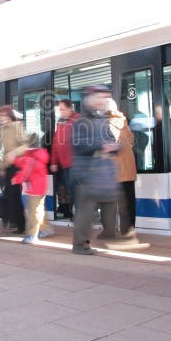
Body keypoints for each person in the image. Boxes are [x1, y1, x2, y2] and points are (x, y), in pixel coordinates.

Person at [71, 85, 120, 255]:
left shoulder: (102, 120)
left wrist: (114, 147)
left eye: (104, 98)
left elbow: (112, 140)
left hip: (102, 173)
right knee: (85, 212)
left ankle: (108, 235)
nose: (102, 101)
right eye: (99, 97)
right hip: (86, 173)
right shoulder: (80, 121)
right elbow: (77, 145)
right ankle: (79, 245)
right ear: (89, 100)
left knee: (106, 207)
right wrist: (101, 145)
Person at [0, 105, 30, 234]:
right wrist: (1, 166)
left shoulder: (17, 127)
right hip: (8, 167)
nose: (1, 118)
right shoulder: (0, 130)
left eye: (3, 115)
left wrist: (15, 152)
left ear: (9, 115)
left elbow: (27, 145)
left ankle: (21, 224)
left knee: (14, 195)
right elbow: (1, 151)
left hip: (18, 166)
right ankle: (16, 222)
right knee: (10, 195)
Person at [105, 100, 136, 239]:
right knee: (129, 201)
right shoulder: (123, 122)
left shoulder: (107, 125)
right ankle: (129, 229)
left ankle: (110, 231)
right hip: (129, 168)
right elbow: (131, 140)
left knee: (110, 203)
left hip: (115, 170)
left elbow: (110, 147)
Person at [13, 136, 52, 244]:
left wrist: (16, 179)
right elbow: (22, 162)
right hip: (40, 188)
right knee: (38, 210)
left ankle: (32, 235)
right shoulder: (38, 154)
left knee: (32, 213)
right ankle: (45, 229)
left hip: (32, 189)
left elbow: (26, 172)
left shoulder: (30, 157)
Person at [50, 100, 78, 220]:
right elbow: (56, 143)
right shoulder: (60, 122)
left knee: (77, 190)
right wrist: (54, 162)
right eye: (59, 110)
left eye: (62, 109)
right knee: (71, 189)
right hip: (65, 163)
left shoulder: (78, 120)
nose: (60, 112)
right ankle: (75, 213)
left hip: (76, 163)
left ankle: (80, 214)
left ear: (70, 108)